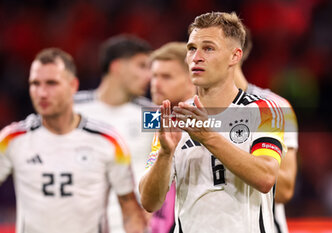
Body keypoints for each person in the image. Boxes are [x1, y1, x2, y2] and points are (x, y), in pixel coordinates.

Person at [139, 12, 286, 233]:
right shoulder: (173, 118)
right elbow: (149, 202)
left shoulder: (265, 110)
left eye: (208, 48)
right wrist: (165, 155)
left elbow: (266, 177)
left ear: (234, 56)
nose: (196, 57)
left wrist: (207, 136)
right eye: (191, 49)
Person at [0, 48, 146, 233]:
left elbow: (129, 209)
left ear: (73, 86)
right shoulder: (12, 139)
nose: (42, 93)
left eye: (51, 83)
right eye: (35, 84)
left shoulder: (108, 140)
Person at [74, 35, 154, 232]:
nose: (149, 76)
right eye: (142, 66)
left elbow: (211, 123)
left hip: (131, 226)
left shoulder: (150, 114)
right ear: (117, 66)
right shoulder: (73, 109)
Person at [234, 29, 298, 233]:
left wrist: (218, 148)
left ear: (235, 54)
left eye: (209, 48)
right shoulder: (191, 111)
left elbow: (284, 190)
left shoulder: (274, 107)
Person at [148, 42, 196, 233]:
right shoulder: (157, 119)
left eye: (166, 77)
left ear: (192, 79)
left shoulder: (211, 124)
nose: (156, 84)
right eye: (154, 76)